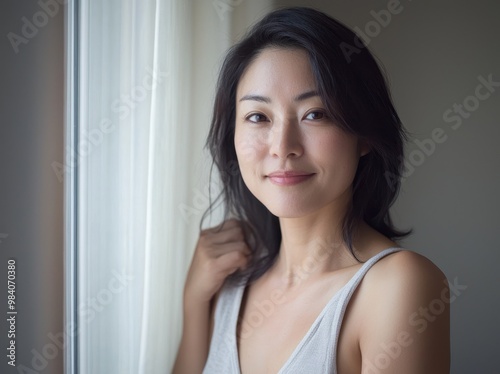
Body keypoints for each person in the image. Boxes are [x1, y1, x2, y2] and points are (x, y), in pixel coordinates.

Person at [173, 7, 450, 374]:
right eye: (259, 117)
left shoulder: (399, 286)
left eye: (315, 114)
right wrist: (194, 303)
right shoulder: (226, 282)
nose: (282, 146)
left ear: (364, 134)